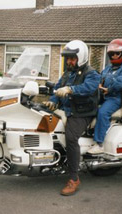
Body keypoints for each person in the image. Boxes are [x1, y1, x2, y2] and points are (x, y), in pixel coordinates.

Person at [43, 40, 100, 196]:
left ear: (80, 58)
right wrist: (53, 101)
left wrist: (70, 89)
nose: (69, 61)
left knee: (71, 137)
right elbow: (57, 88)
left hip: (82, 113)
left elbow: (89, 88)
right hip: (67, 110)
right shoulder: (68, 73)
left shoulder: (92, 74)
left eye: (72, 58)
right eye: (67, 58)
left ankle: (74, 178)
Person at [87, 38, 122, 154]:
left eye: (117, 53)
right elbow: (100, 77)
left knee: (103, 112)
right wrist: (97, 84)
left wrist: (109, 89)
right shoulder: (109, 67)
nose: (114, 56)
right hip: (104, 96)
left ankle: (99, 144)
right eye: (111, 54)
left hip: (116, 98)